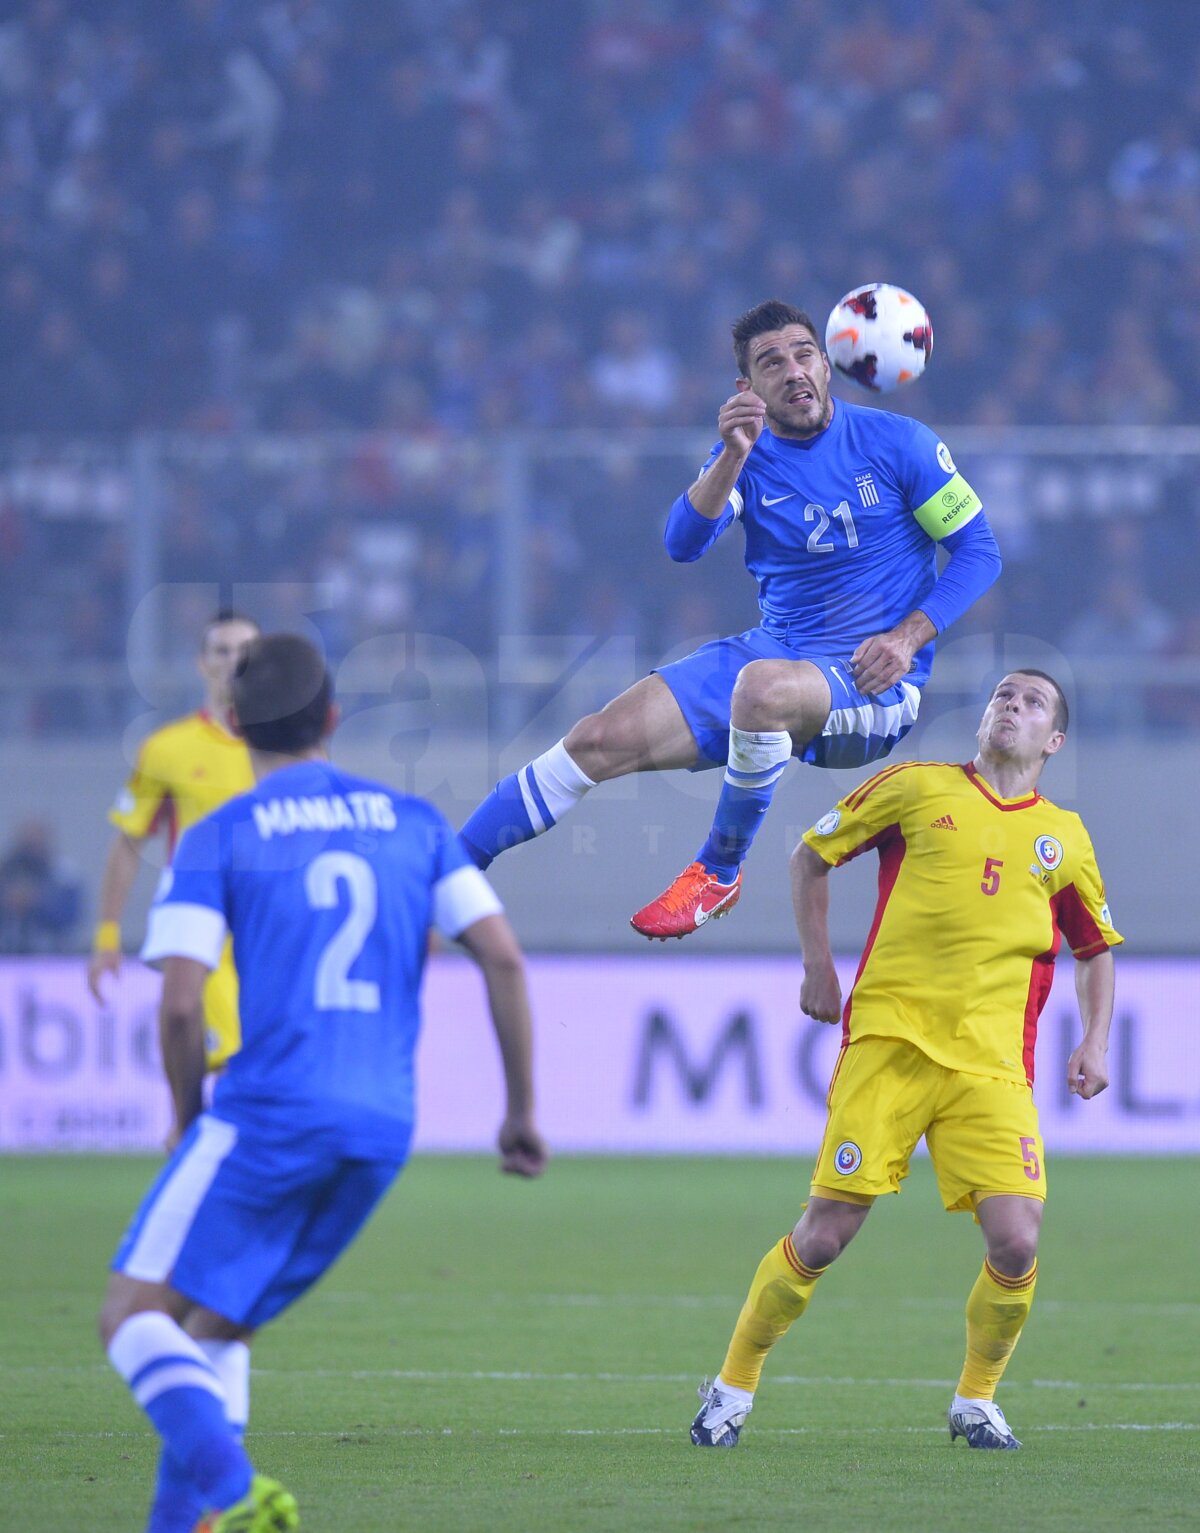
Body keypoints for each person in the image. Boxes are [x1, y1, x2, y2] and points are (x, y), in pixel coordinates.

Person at [97, 634, 548, 1533]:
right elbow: (500, 956)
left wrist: (190, 1119)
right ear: (334, 718)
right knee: (216, 1330)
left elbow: (181, 1008)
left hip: (267, 1113)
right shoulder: (414, 823)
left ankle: (236, 1493)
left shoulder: (224, 833)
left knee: (131, 1318)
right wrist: (520, 1113)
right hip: (381, 1130)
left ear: (232, 723)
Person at [459, 299, 1001, 939]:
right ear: (747, 389)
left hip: (872, 683)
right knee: (592, 741)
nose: (793, 371)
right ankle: (440, 871)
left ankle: (718, 871)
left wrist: (909, 636)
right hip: (773, 653)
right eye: (771, 363)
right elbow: (681, 544)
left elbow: (979, 551)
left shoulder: (899, 443)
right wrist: (732, 454)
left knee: (762, 691)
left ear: (828, 366)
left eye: (804, 355)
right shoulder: (746, 457)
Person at [689, 670, 1120, 1452]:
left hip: (992, 1066)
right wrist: (818, 966)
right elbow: (810, 856)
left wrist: (1095, 1038)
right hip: (890, 1043)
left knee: (1018, 1240)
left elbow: (1095, 949)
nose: (1011, 706)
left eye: (1032, 702)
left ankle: (977, 1399)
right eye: (1003, 695)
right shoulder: (916, 786)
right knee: (824, 1235)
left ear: (1053, 740)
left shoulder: (1066, 836)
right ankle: (732, 1384)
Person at [88, 610, 259, 1080]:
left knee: (259, 1080)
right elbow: (128, 844)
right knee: (234, 1073)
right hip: (206, 930)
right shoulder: (167, 749)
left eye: (246, 651)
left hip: (271, 931)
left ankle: (183, 1138)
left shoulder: (289, 747)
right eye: (222, 651)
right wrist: (107, 935)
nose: (234, 661)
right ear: (202, 664)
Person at [0, 818, 83, 952]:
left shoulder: (64, 876)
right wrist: (6, 901)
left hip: (52, 955)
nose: (32, 852)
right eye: (28, 845)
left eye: (36, 844)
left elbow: (72, 918)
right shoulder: (5, 873)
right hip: (6, 953)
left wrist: (37, 901)